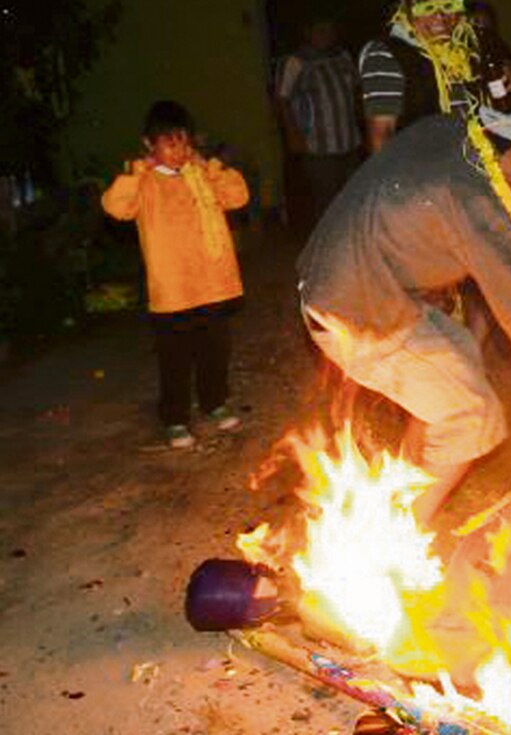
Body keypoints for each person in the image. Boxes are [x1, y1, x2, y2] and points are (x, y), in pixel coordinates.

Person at [297, 99, 511, 524]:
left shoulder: (452, 131)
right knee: (473, 415)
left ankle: (405, 486)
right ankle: (394, 548)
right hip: (357, 311)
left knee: (459, 354)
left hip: (345, 281)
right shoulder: (472, 201)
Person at [101, 101, 250, 449]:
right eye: (169, 144)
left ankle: (215, 403)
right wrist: (138, 171)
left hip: (212, 284)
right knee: (175, 359)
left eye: (184, 143)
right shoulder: (145, 183)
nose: (179, 152)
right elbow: (115, 206)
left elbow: (238, 196)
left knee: (216, 350)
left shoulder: (202, 176)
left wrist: (210, 166)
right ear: (149, 146)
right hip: (172, 292)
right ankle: (175, 418)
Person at [275, 17, 362, 233]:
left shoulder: (342, 56)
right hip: (318, 146)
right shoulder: (296, 61)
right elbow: (282, 100)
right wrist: (293, 135)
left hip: (350, 141)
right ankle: (329, 252)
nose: (325, 34)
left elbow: (357, 90)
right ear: (308, 32)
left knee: (355, 197)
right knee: (327, 202)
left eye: (329, 29)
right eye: (319, 29)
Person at [358, 0, 478, 154]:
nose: (440, 15)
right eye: (427, 7)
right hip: (422, 173)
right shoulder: (387, 54)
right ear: (407, 10)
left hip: (462, 167)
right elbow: (381, 136)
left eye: (449, 5)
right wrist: (396, 178)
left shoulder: (458, 55)